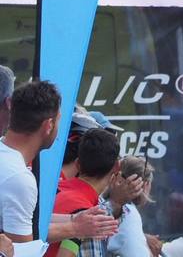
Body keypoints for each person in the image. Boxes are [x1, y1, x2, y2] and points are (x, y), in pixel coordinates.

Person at [0, 80, 117, 246]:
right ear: (48, 125)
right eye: (59, 121)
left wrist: (72, 219)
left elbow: (24, 219)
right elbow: (21, 248)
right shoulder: (19, 178)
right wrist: (75, 228)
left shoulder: (9, 163)